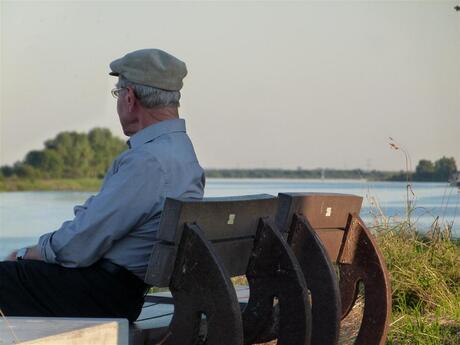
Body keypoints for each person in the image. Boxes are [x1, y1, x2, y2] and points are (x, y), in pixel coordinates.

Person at [0, 49, 205, 322]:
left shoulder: (147, 162)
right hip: (121, 291)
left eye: (117, 93)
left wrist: (26, 254)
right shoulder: (182, 152)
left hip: (99, 294)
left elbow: (78, 246)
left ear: (129, 98)